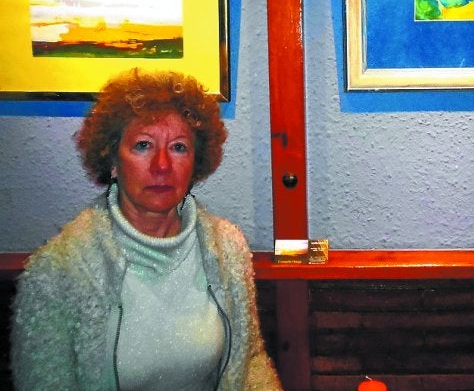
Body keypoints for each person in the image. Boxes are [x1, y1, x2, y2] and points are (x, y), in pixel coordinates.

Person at [11, 68, 282, 391]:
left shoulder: (228, 249)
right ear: (112, 160)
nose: (162, 165)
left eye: (178, 147)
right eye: (143, 145)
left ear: (195, 163)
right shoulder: (58, 270)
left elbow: (249, 362)